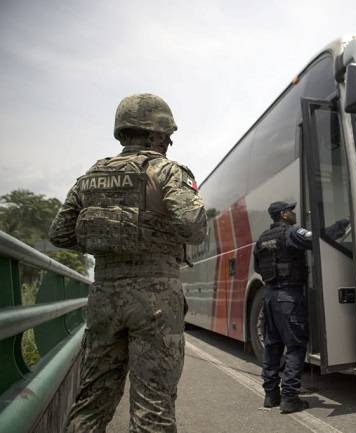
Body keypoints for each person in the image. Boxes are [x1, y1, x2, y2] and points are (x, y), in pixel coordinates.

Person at [49, 93, 207, 433]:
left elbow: (59, 234)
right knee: (153, 406)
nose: (168, 141)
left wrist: (106, 241)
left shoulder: (91, 175)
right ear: (153, 134)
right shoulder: (166, 171)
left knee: (91, 402)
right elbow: (193, 227)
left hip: (104, 295)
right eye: (166, 134)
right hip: (155, 297)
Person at [253, 201, 348, 414]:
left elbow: (258, 268)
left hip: (268, 297)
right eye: (291, 211)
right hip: (288, 297)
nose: (294, 214)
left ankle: (271, 395)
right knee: (295, 347)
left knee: (273, 345)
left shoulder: (261, 240)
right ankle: (289, 397)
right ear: (284, 214)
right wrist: (345, 223)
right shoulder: (291, 233)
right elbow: (316, 239)